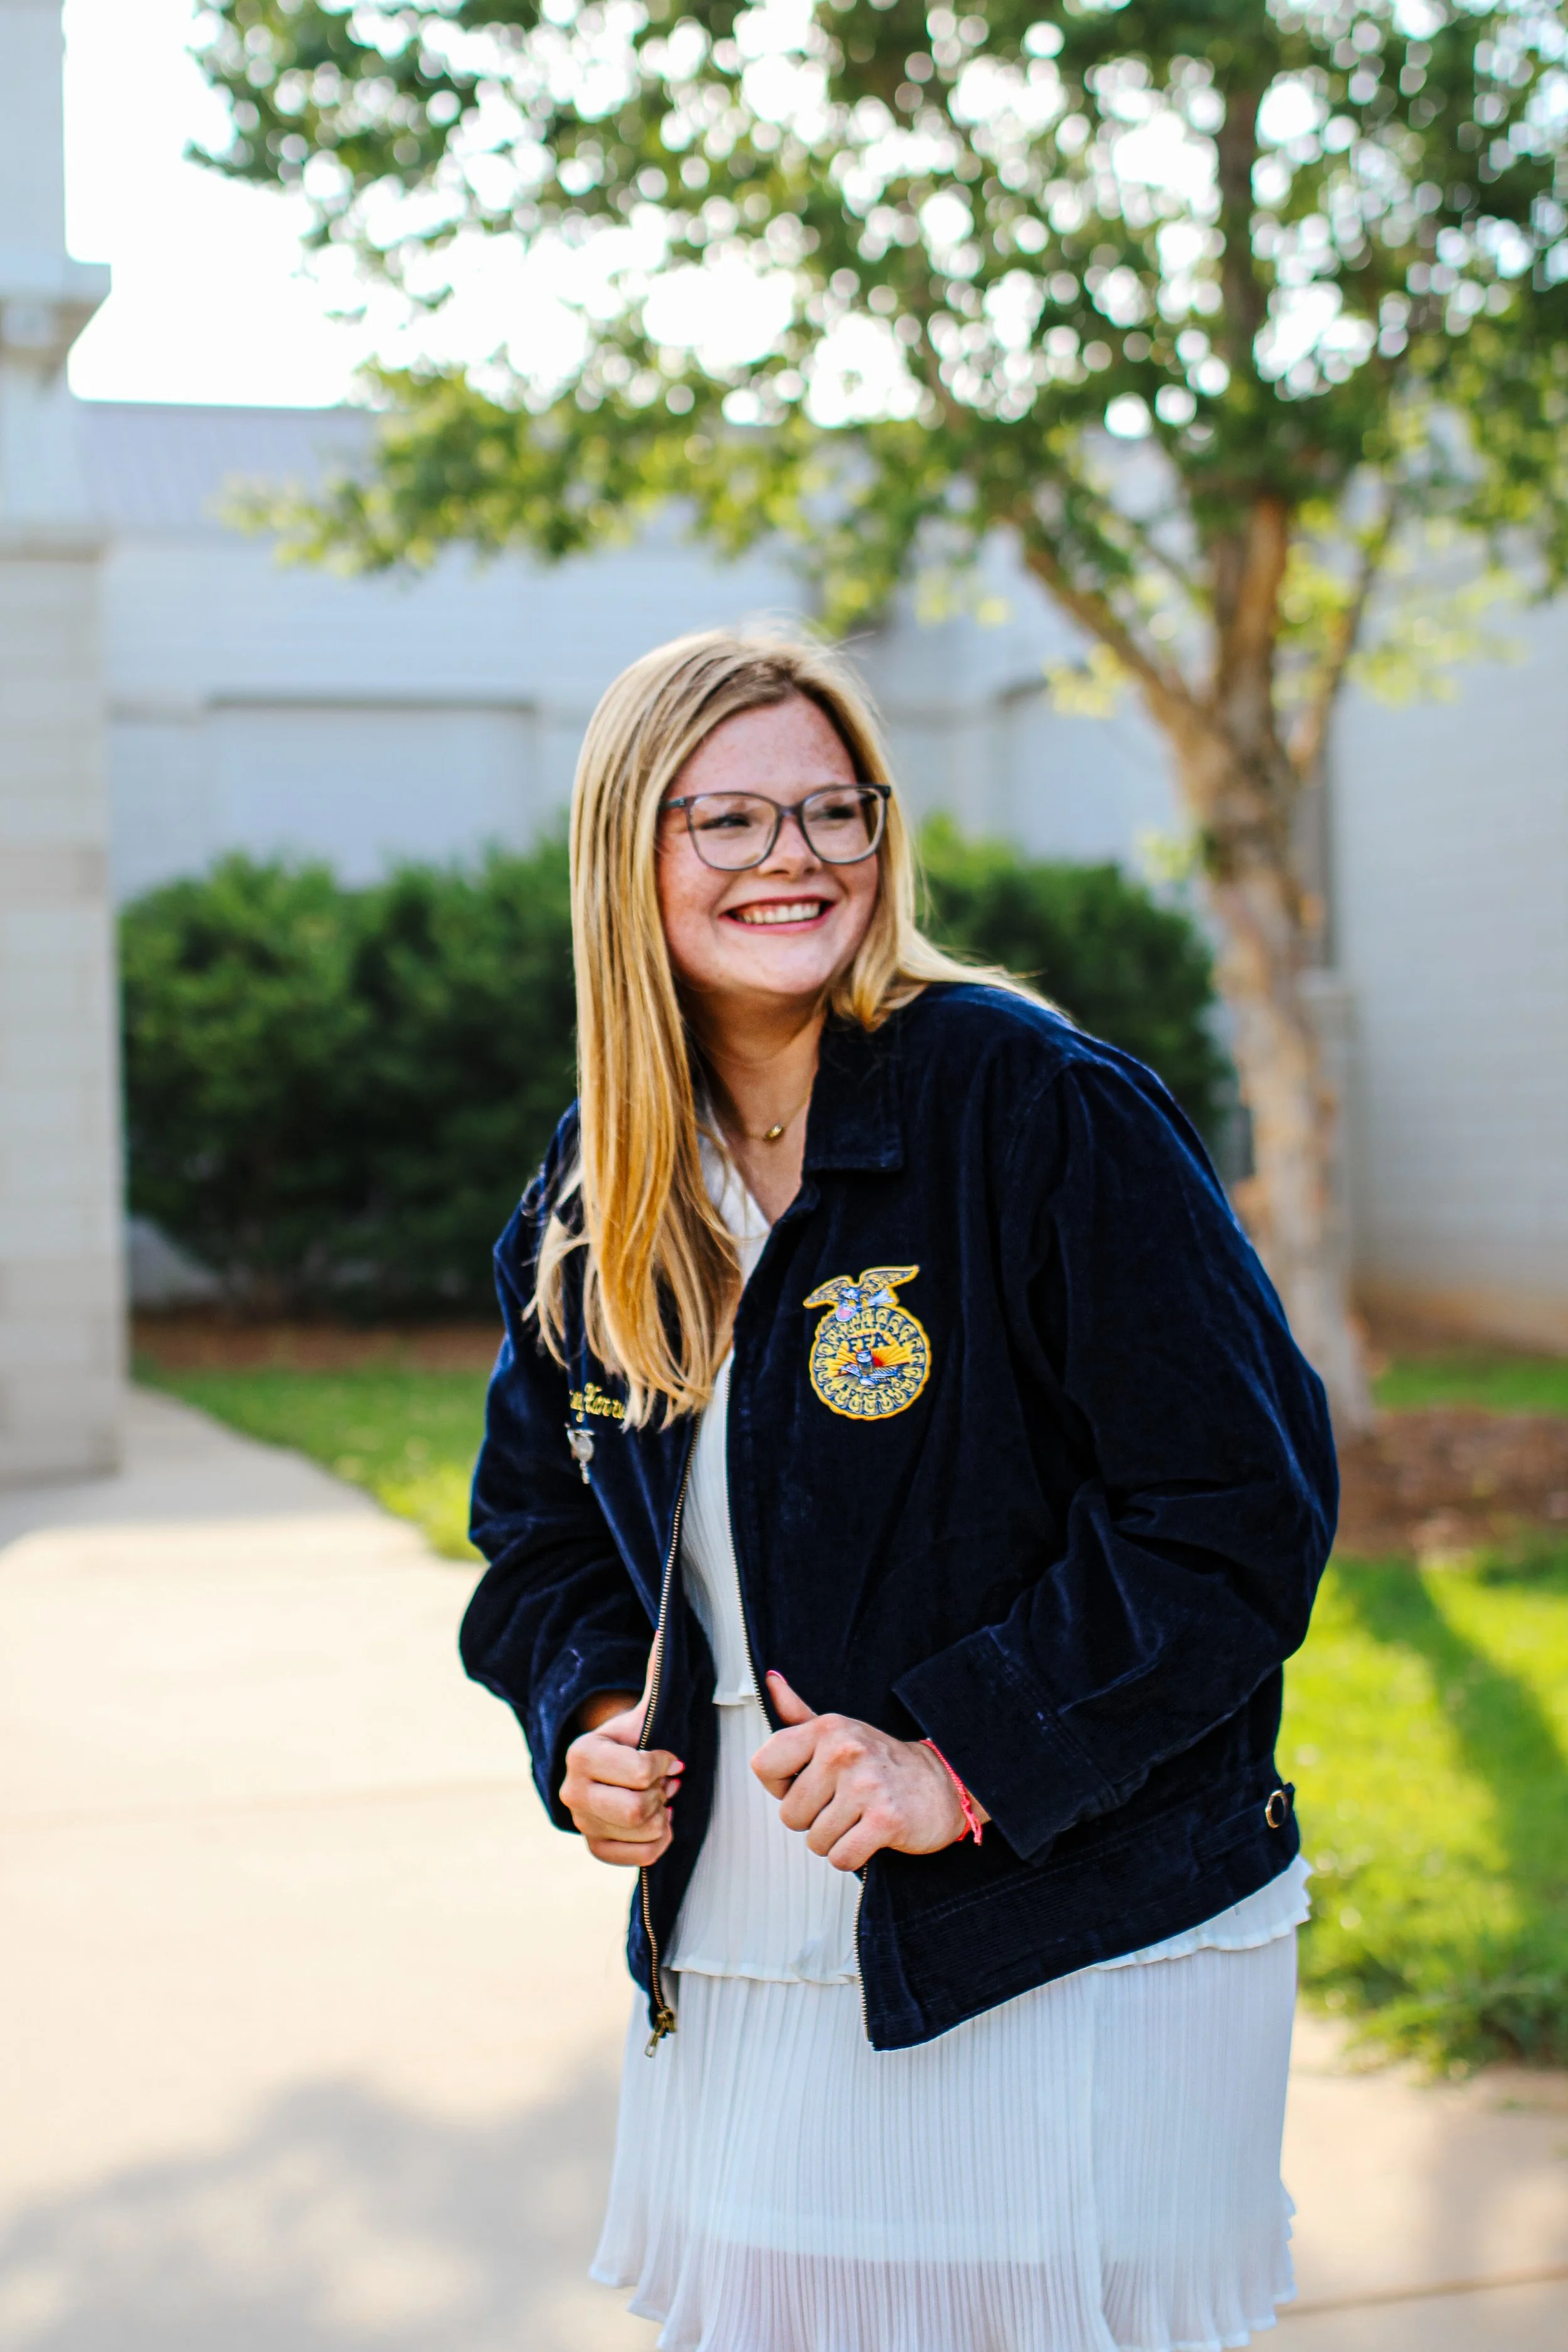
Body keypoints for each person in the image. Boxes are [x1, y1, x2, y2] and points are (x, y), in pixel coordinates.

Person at [462, 627, 1338, 2352]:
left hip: (1060, 1923)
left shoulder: (1032, 1105)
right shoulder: (601, 1183)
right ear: (626, 854)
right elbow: (537, 1535)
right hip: (741, 1932)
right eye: (725, 821)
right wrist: (582, 1719)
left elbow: (1235, 1504)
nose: (792, 858)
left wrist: (959, 1760)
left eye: (829, 810)